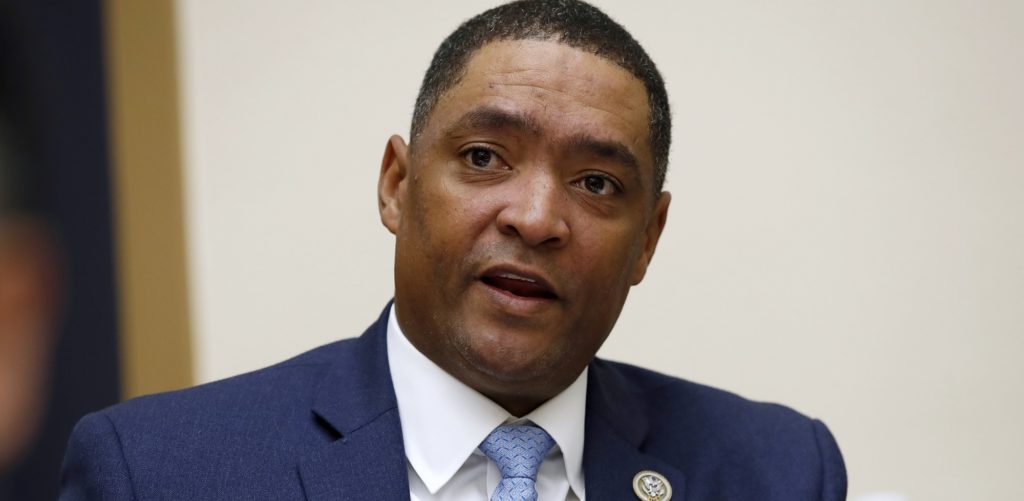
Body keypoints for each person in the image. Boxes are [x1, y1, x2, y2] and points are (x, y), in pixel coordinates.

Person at [60, 1, 846, 499]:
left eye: (597, 182)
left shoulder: (779, 471)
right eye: (483, 157)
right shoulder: (157, 471)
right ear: (397, 185)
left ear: (648, 241)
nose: (536, 218)